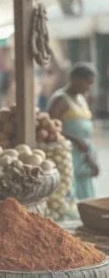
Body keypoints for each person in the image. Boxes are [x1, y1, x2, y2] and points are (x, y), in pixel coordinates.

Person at [48, 63, 99, 200]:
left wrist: (91, 156)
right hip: (67, 156)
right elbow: (50, 129)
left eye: (91, 83)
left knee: (86, 195)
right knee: (69, 194)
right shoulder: (60, 99)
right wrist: (76, 140)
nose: (89, 87)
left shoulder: (82, 98)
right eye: (87, 82)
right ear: (75, 79)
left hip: (84, 155)